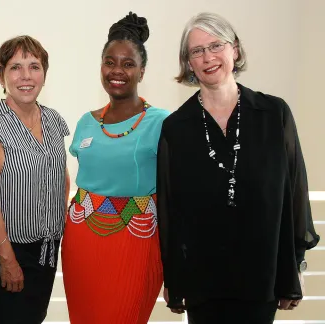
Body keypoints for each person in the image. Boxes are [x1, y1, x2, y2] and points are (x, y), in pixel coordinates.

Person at [157, 12, 321, 324]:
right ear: (188, 62)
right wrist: (174, 279)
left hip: (262, 275)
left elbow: (294, 193)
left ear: (235, 50)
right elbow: (170, 209)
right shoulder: (175, 127)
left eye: (215, 45)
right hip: (203, 280)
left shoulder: (274, 114)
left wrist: (294, 266)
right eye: (197, 51)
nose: (208, 57)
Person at [61, 12, 169, 324]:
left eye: (128, 63)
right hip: (82, 239)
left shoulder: (162, 122)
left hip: (137, 239)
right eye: (110, 62)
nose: (117, 71)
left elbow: (175, 190)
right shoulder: (86, 122)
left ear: (142, 70)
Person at [0, 35, 70, 324]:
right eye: (15, 67)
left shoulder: (54, 121)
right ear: (2, 76)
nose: (26, 76)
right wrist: (7, 260)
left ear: (44, 74)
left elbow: (61, 179)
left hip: (46, 249)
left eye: (34, 66)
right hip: (7, 250)